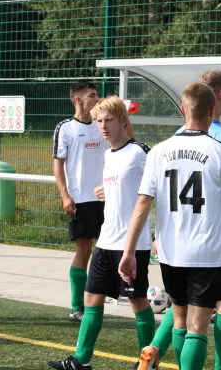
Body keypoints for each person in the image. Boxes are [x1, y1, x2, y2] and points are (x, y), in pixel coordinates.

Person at [118, 82, 221, 370]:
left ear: (183, 110)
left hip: (171, 252)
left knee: (179, 319)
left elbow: (142, 205)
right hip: (209, 252)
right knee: (199, 326)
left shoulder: (158, 152)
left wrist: (129, 251)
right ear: (212, 110)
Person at [47, 96, 155, 370]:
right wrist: (108, 192)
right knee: (91, 298)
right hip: (106, 240)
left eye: (109, 120)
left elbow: (157, 193)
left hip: (133, 244)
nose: (103, 126)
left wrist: (157, 237)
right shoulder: (108, 154)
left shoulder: (141, 153)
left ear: (122, 121)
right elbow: (125, 189)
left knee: (138, 302)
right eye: (99, 121)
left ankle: (148, 362)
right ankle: (81, 360)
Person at [53, 81, 134, 321]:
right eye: (91, 95)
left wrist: (123, 116)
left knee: (116, 245)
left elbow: (129, 141)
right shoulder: (65, 128)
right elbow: (58, 164)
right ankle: (78, 305)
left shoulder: (103, 125)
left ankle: (119, 292)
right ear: (78, 100)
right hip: (82, 199)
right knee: (84, 249)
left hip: (109, 196)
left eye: (97, 95)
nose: (96, 99)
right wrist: (65, 195)